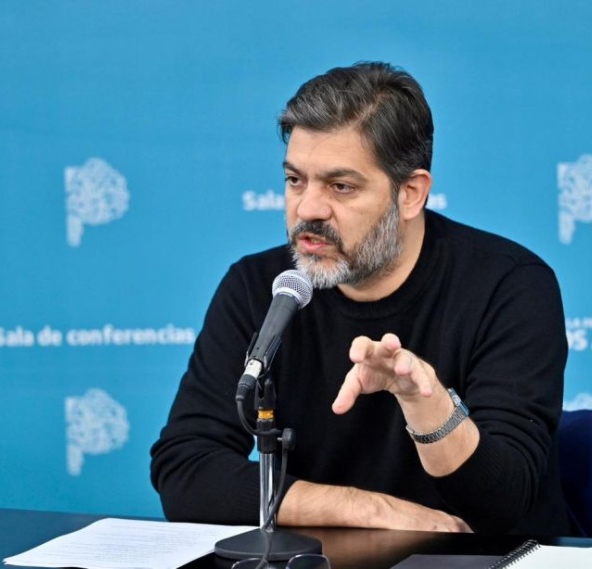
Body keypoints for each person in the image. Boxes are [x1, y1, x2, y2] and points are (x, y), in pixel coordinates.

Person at [150, 61, 570, 535]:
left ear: (410, 193)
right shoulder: (261, 287)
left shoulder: (509, 286)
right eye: (295, 180)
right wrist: (368, 510)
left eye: (341, 186)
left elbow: (505, 501)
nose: (308, 208)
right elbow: (185, 470)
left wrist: (425, 404)